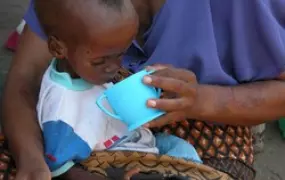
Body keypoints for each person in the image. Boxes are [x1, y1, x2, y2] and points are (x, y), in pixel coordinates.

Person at [2, 0, 285, 179]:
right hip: (94, 117)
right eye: (103, 58)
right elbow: (25, 79)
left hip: (208, 110)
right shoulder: (65, 14)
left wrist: (202, 100)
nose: (115, 65)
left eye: (120, 54)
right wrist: (31, 160)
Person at [33, 0, 201, 178]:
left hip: (141, 142)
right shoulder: (61, 108)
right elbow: (64, 171)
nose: (113, 67)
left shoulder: (87, 71)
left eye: (121, 54)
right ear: (57, 48)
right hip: (119, 163)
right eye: (100, 61)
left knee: (182, 150)